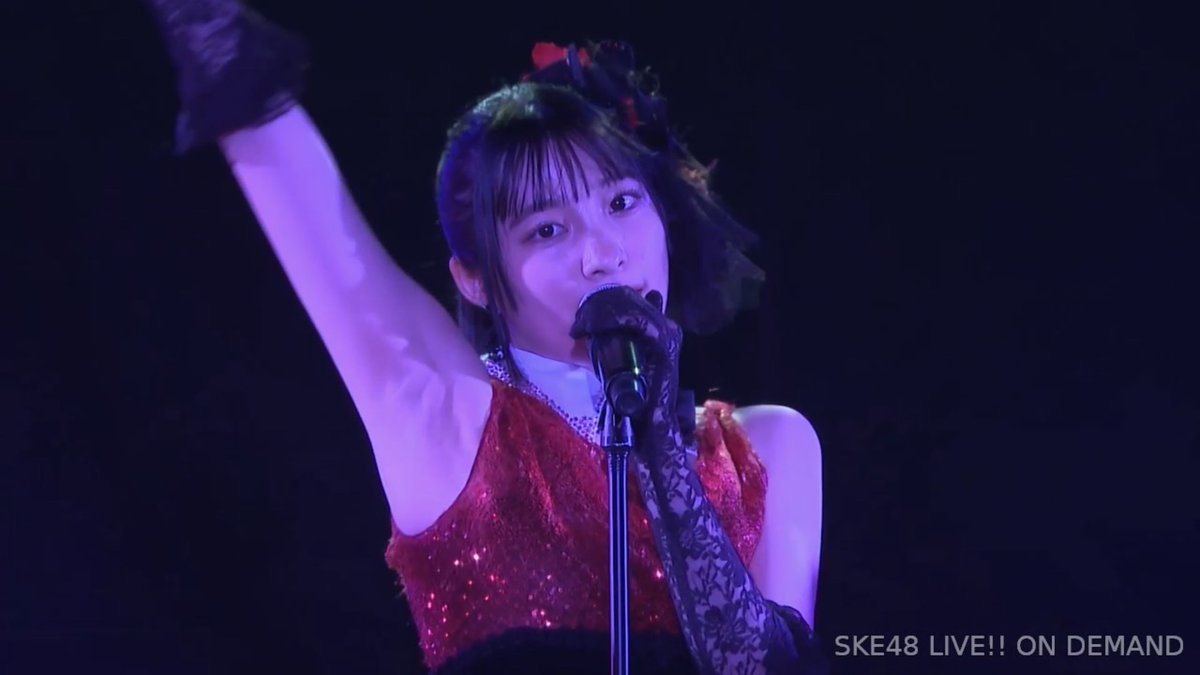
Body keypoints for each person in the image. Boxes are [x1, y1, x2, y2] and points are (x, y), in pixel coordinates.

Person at [142, 1, 828, 672]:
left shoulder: (766, 447)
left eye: (621, 202)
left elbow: (764, 665)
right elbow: (323, 235)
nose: (603, 253)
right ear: (474, 279)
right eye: (547, 229)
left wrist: (656, 441)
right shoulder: (452, 421)